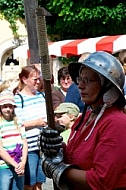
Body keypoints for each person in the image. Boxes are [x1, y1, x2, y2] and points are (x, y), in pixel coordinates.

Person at [40, 51, 126, 190]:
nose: (79, 85)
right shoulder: (85, 117)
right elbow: (74, 157)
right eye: (80, 79)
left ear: (107, 85)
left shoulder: (116, 123)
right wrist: (55, 146)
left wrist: (60, 170)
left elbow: (101, 181)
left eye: (88, 80)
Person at [14, 65, 47, 190]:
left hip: (43, 146)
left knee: (40, 181)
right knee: (29, 182)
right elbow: (17, 124)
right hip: (29, 147)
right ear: (24, 79)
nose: (38, 82)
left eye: (39, 79)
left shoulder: (42, 96)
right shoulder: (18, 99)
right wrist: (36, 123)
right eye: (34, 79)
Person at [0, 90, 28, 190]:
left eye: (10, 106)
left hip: (19, 163)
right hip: (4, 165)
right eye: (4, 106)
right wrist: (15, 164)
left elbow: (24, 143)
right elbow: (1, 150)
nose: (8, 109)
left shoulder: (19, 122)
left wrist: (23, 163)